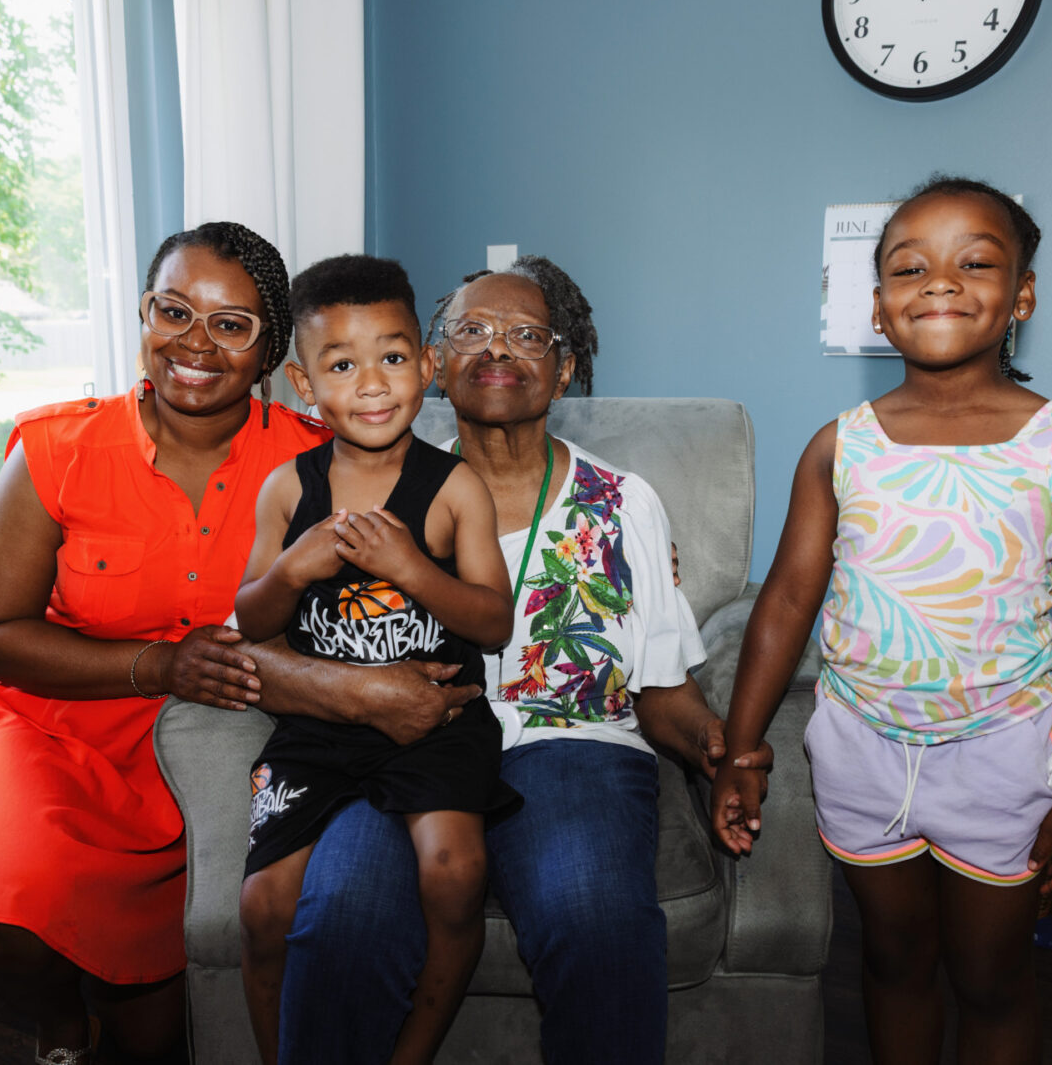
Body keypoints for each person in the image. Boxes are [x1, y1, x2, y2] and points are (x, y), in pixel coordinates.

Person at [235, 254, 770, 1063]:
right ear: (437, 364)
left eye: (527, 335)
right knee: (342, 915)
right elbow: (267, 637)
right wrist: (350, 699)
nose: (497, 349)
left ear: (565, 370)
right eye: (472, 331)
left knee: (592, 914)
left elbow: (661, 684)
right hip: (397, 745)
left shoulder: (623, 502)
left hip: (574, 747)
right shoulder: (368, 490)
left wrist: (721, 750)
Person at [711, 177, 1052, 1062]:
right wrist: (742, 748)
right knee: (894, 962)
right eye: (910, 267)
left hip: (1001, 756)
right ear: (878, 305)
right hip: (861, 750)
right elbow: (787, 601)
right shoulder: (841, 445)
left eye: (975, 262)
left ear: (1022, 295)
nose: (940, 281)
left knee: (990, 980)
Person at [0, 222, 329, 1064]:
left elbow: (427, 514)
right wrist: (158, 663)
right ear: (143, 316)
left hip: (208, 739)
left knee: (149, 1039)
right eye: (174, 311)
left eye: (232, 324)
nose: (196, 343)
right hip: (46, 724)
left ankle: (125, 1004)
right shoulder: (57, 449)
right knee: (7, 925)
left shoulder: (313, 461)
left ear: (268, 352)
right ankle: (56, 1021)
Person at [234, 255, 520, 1064]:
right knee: (263, 905)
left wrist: (412, 571)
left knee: (455, 872)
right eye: (342, 364)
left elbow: (493, 622)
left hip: (441, 724)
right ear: (302, 385)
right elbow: (250, 619)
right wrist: (291, 569)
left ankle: (411, 1053)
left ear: (427, 369)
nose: (371, 384)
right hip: (316, 731)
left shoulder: (455, 487)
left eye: (392, 357)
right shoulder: (288, 489)